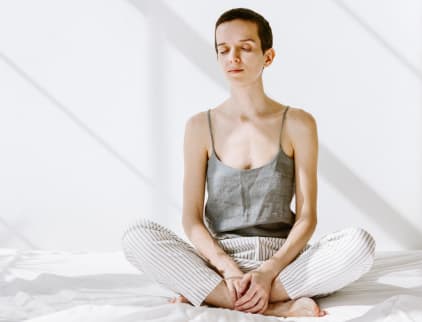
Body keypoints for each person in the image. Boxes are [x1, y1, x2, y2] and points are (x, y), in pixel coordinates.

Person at [121, 7, 376, 318]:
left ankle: (215, 296)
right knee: (137, 235)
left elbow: (307, 217)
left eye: (245, 48)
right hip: (218, 261)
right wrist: (227, 268)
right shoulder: (199, 126)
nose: (233, 58)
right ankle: (277, 307)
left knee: (360, 244)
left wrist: (268, 271)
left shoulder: (298, 123)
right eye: (224, 50)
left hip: (283, 260)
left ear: (268, 57)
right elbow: (192, 219)